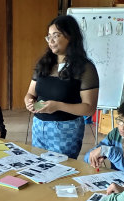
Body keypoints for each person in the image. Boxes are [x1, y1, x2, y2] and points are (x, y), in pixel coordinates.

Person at [24, 15, 99, 159]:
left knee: (61, 171)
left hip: (66, 130)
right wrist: (28, 101)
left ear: (70, 37)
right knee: (38, 168)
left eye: (56, 36)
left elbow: (89, 108)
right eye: (49, 37)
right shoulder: (44, 63)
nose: (51, 41)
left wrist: (58, 106)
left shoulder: (85, 68)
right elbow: (30, 94)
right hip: (39, 126)